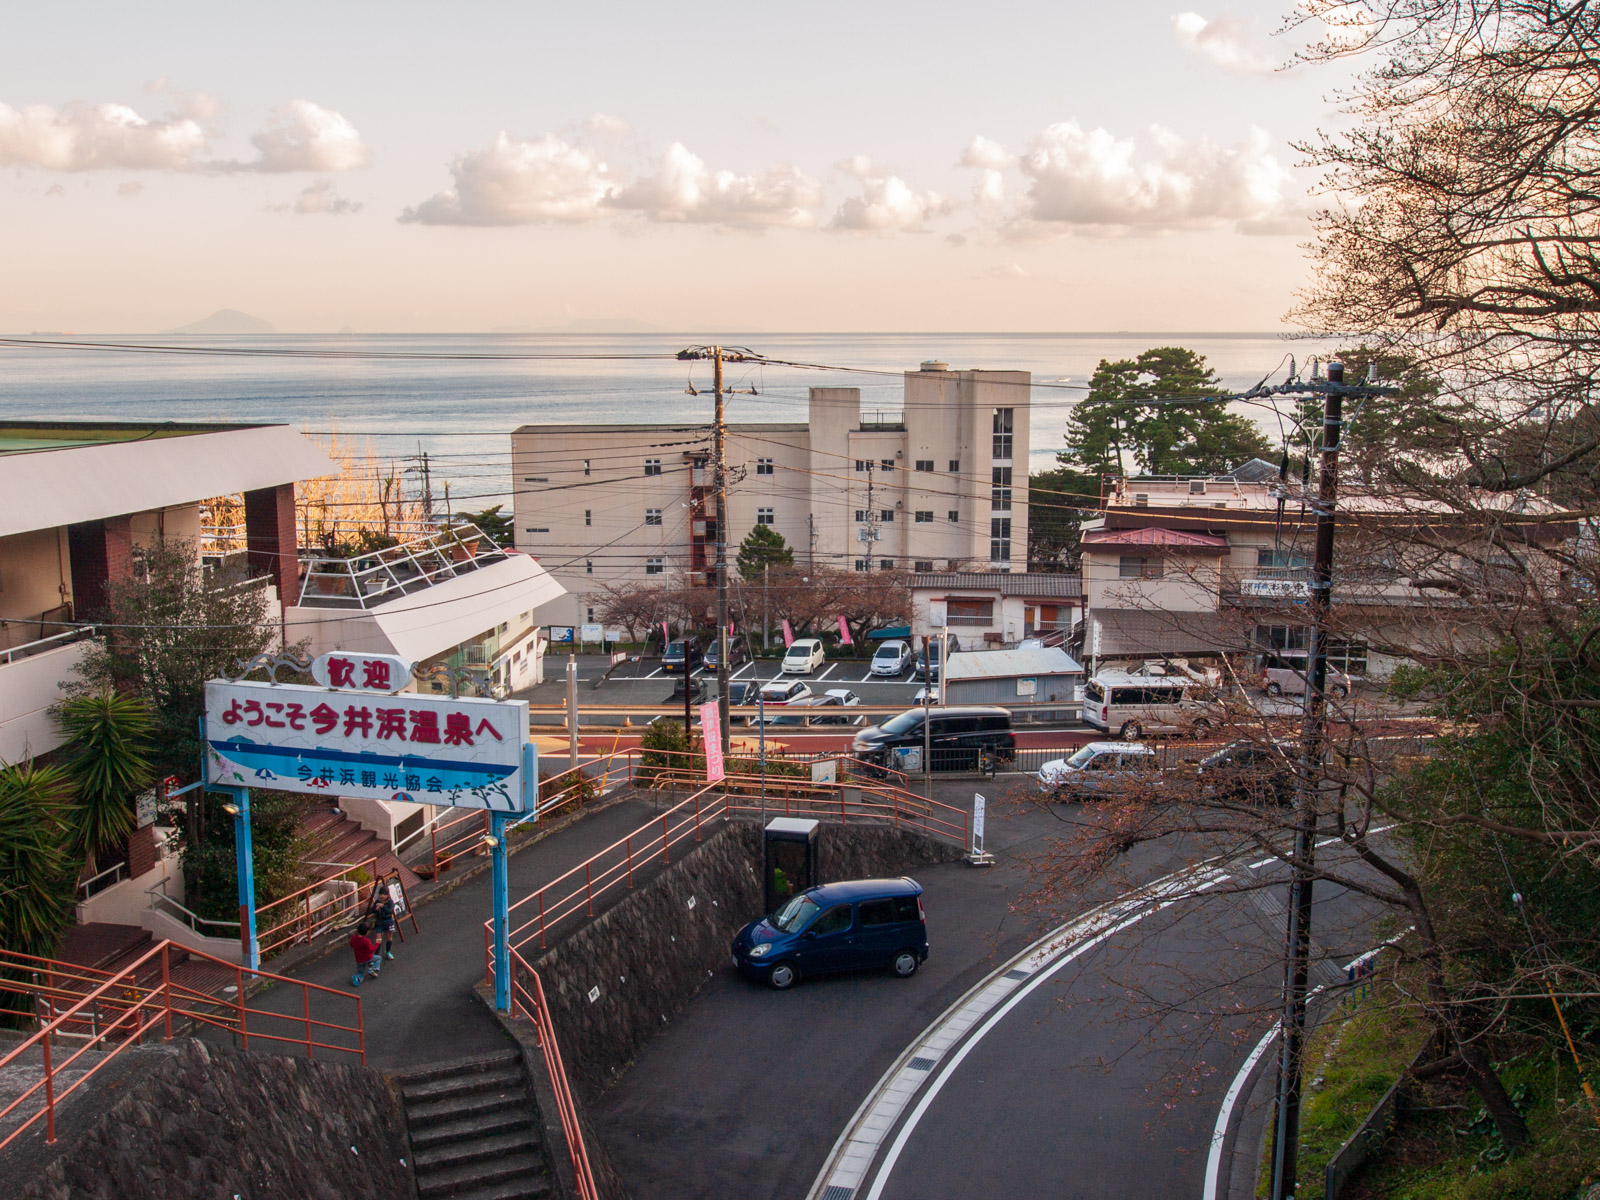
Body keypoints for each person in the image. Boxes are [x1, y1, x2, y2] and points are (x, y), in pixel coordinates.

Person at [368, 884, 398, 961]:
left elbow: (389, 911)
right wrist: (376, 908)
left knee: (389, 937)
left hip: (388, 921)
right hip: (380, 921)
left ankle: (388, 952)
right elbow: (372, 910)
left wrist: (383, 906)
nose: (382, 896)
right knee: (378, 939)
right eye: (381, 894)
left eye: (384, 895)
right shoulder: (377, 901)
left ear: (387, 895)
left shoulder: (390, 902)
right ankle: (376, 955)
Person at [349, 921, 380, 987]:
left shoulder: (353, 938)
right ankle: (373, 969)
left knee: (360, 972)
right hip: (367, 958)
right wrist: (377, 943)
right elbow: (371, 950)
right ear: (366, 932)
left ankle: (358, 978)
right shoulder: (366, 941)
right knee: (378, 958)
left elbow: (352, 945)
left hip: (359, 959)